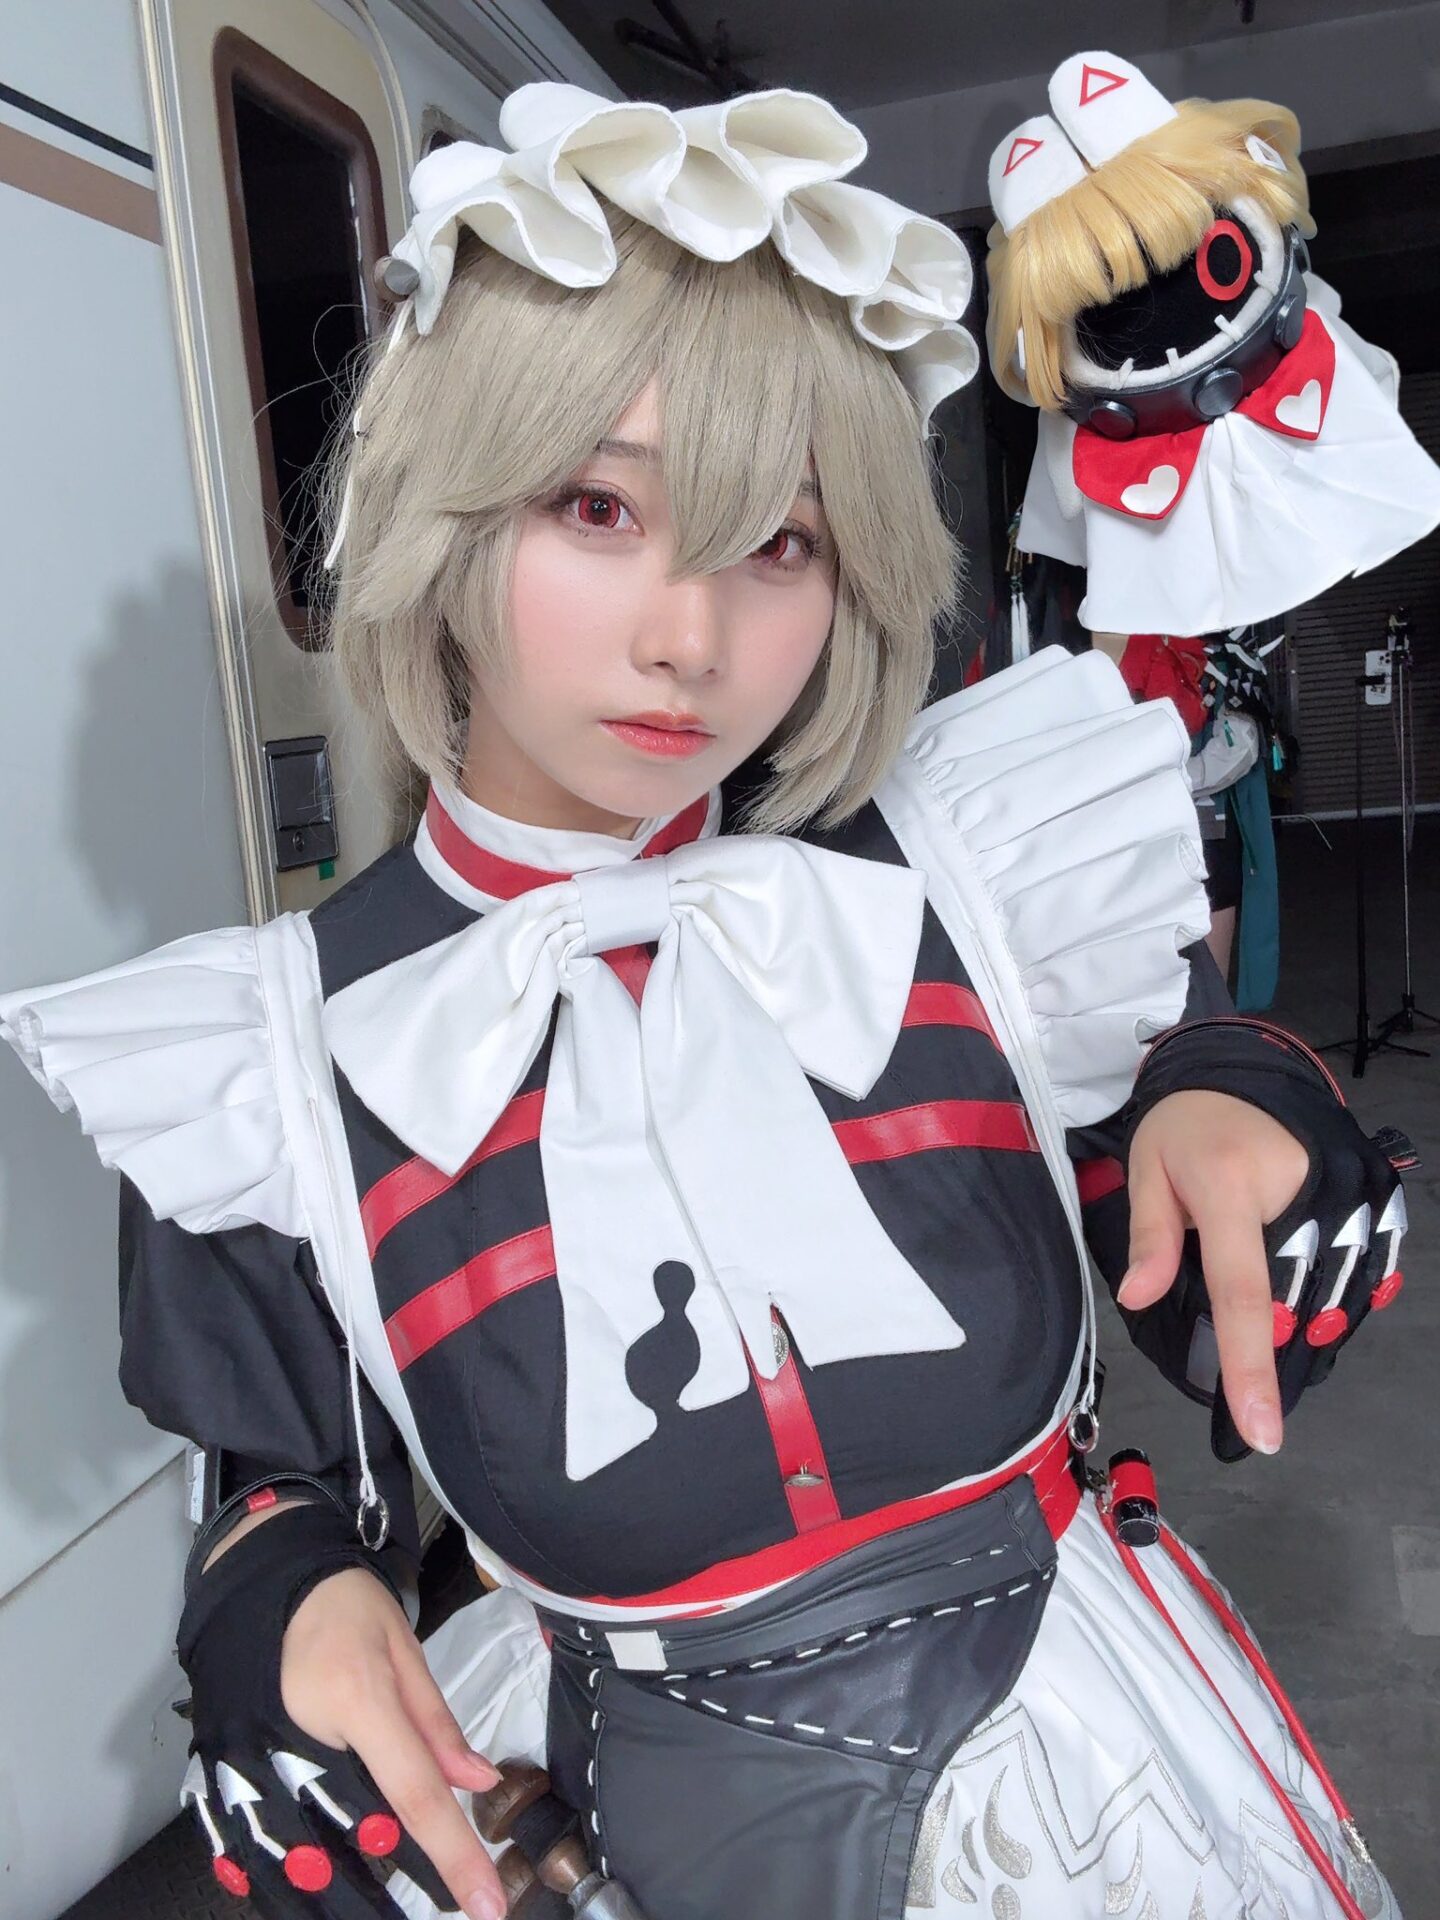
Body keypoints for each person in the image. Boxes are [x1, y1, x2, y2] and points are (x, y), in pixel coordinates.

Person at [0, 81, 1409, 1920]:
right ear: (447, 511)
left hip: (1098, 1766)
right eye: (599, 507)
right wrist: (282, 1596)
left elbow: (1165, 1197)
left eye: (780, 544)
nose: (693, 639)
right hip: (640, 1819)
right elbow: (280, 1478)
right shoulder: (268, 1056)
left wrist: (1237, 1094)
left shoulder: (967, 879)